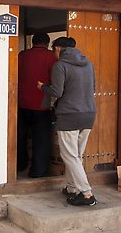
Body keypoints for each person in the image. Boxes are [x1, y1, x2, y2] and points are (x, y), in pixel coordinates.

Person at [37, 36, 97, 206]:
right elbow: (93, 88)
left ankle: (86, 194)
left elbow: (57, 91)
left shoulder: (60, 65)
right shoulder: (88, 64)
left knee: (69, 155)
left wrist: (42, 87)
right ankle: (72, 188)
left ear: (58, 49)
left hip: (69, 115)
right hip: (88, 114)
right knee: (76, 155)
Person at [17, 32, 58, 178]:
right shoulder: (51, 57)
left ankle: (19, 164)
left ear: (33, 42)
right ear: (47, 43)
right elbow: (55, 81)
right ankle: (38, 171)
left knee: (20, 136)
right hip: (42, 104)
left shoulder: (22, 55)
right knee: (41, 139)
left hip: (21, 102)